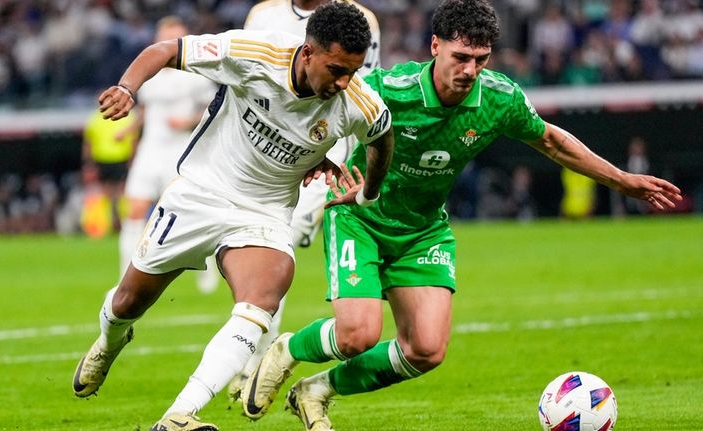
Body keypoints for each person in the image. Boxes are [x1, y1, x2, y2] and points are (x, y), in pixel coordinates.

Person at [240, 1, 683, 430]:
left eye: (481, 59)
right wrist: (321, 161)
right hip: (362, 216)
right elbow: (322, 108)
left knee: (426, 350)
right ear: (435, 46)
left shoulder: (498, 98)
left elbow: (552, 141)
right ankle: (287, 349)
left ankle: (316, 391)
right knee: (358, 335)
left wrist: (622, 180)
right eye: (461, 57)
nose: (470, 70)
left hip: (424, 229)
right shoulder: (389, 90)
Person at [71, 3, 394, 431]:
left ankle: (178, 415)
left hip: (265, 212)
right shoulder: (256, 54)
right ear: (308, 51)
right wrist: (128, 89)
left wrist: (368, 192)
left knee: (263, 298)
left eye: (351, 72)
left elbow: (382, 137)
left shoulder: (356, 101)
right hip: (201, 193)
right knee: (129, 301)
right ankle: (109, 343)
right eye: (335, 69)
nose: (343, 82)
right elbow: (166, 49)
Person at [225, 0, 383, 400]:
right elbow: (242, 78)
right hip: (261, 155)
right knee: (252, 254)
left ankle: (253, 365)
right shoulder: (263, 14)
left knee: (276, 249)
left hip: (322, 162)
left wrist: (343, 159)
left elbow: (366, 97)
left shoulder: (361, 21)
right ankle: (250, 354)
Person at [117, 16, 217, 277]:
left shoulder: (196, 76)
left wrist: (188, 122)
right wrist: (129, 133)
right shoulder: (149, 75)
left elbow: (213, 110)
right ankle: (123, 276)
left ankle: (207, 271)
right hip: (150, 151)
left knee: (189, 215)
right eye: (165, 36)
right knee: (135, 210)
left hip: (180, 152)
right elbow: (146, 111)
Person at [81, 106, 139, 234]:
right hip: (112, 159)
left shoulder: (95, 118)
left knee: (113, 193)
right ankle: (114, 224)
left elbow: (88, 142)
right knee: (116, 193)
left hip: (113, 159)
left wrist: (88, 162)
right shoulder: (125, 116)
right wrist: (89, 163)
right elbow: (88, 142)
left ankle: (118, 223)